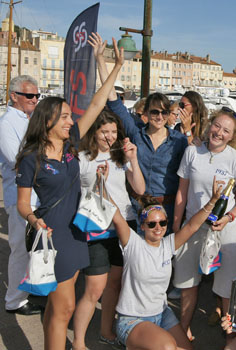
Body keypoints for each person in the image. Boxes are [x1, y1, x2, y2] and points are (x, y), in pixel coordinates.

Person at [15, 33, 123, 349]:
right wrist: (34, 221)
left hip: (76, 234)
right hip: (51, 234)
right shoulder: (31, 158)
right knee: (65, 306)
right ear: (46, 120)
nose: (70, 119)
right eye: (63, 116)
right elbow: (23, 203)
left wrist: (114, 65)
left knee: (58, 306)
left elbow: (98, 102)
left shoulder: (71, 144)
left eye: (69, 115)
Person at [110, 179, 222, 350]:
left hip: (162, 315)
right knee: (168, 347)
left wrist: (213, 200)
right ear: (142, 225)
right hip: (133, 320)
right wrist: (102, 185)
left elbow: (192, 225)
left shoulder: (168, 244)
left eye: (163, 223)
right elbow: (117, 217)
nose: (158, 228)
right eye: (152, 224)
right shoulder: (132, 243)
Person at [172, 108, 236, 342]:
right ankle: (183, 331)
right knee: (188, 283)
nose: (219, 132)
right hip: (193, 227)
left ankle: (230, 339)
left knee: (227, 288)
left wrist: (229, 217)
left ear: (232, 136)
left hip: (225, 230)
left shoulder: (235, 159)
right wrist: (177, 228)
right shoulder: (191, 152)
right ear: (209, 126)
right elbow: (181, 193)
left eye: (226, 130)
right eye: (217, 126)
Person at [95, 32, 188, 232]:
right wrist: (100, 59)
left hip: (168, 210)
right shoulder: (135, 133)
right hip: (139, 208)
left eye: (164, 112)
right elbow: (111, 97)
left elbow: (187, 178)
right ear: (145, 113)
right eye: (155, 112)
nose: (160, 116)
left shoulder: (179, 141)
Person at [71, 110, 146, 349]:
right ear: (94, 131)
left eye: (114, 132)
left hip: (124, 224)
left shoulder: (120, 156)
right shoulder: (82, 158)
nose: (110, 137)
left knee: (115, 284)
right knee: (94, 288)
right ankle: (79, 342)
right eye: (105, 131)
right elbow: (74, 193)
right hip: (97, 228)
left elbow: (140, 189)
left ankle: (106, 331)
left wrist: (133, 159)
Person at [0, 75, 43, 315]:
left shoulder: (30, 120)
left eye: (37, 95)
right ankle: (14, 301)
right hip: (20, 196)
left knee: (34, 247)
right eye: (29, 95)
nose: (34, 99)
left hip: (37, 195)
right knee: (20, 249)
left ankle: (28, 288)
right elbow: (17, 160)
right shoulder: (5, 123)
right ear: (14, 96)